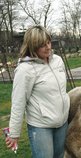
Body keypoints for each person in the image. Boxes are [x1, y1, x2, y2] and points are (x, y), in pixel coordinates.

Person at [5, 25, 70, 158]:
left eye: (48, 42)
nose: (48, 47)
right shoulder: (25, 70)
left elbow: (61, 90)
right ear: (32, 46)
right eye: (42, 45)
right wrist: (14, 134)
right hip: (41, 127)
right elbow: (18, 103)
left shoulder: (57, 60)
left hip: (62, 123)